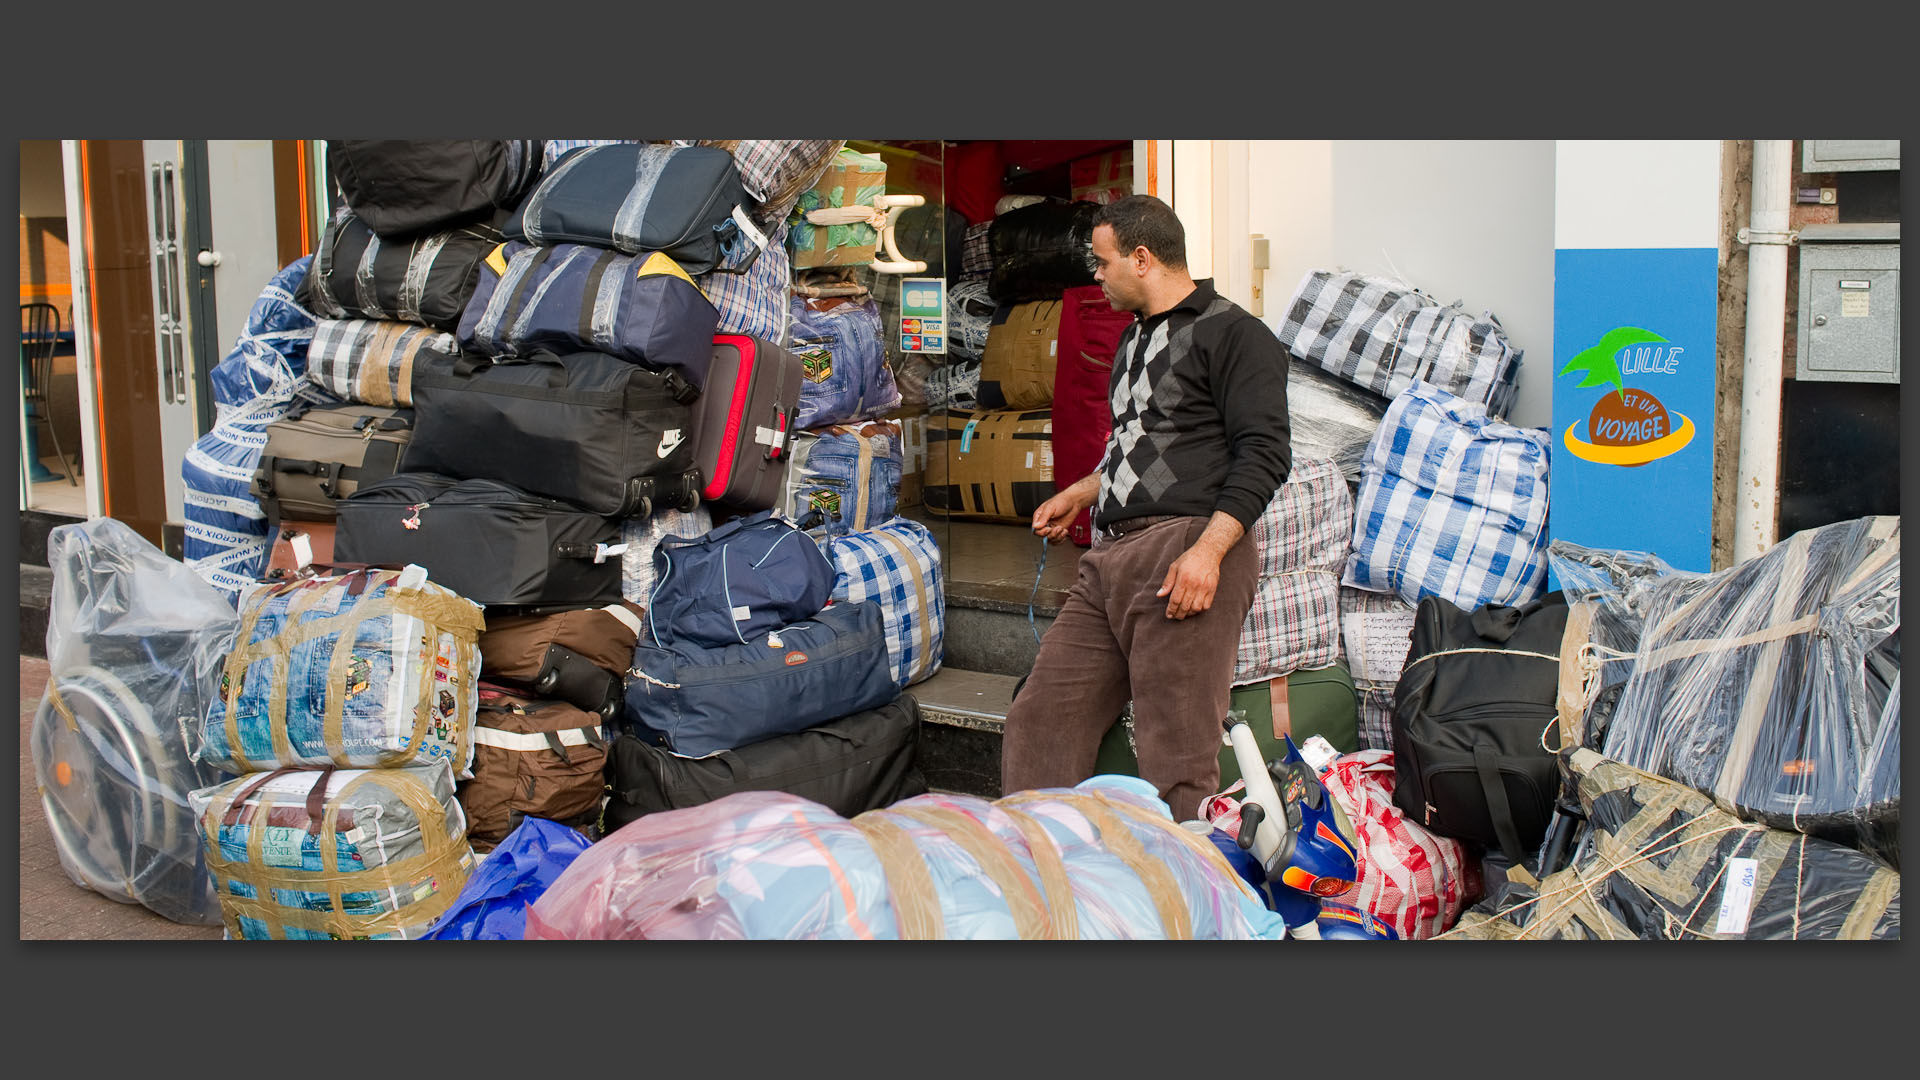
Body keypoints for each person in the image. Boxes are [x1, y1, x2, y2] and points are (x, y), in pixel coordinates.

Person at [999, 194, 1291, 823]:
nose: (1095, 275)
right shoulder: (1132, 341)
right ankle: (1035, 875)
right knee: (1039, 719)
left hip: (1183, 549)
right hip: (1110, 559)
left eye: (1102, 262)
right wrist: (1082, 491)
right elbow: (1139, 442)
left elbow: (1265, 455)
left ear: (1141, 258)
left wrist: (1208, 553)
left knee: (1177, 755)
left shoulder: (1236, 333)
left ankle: (1185, 902)